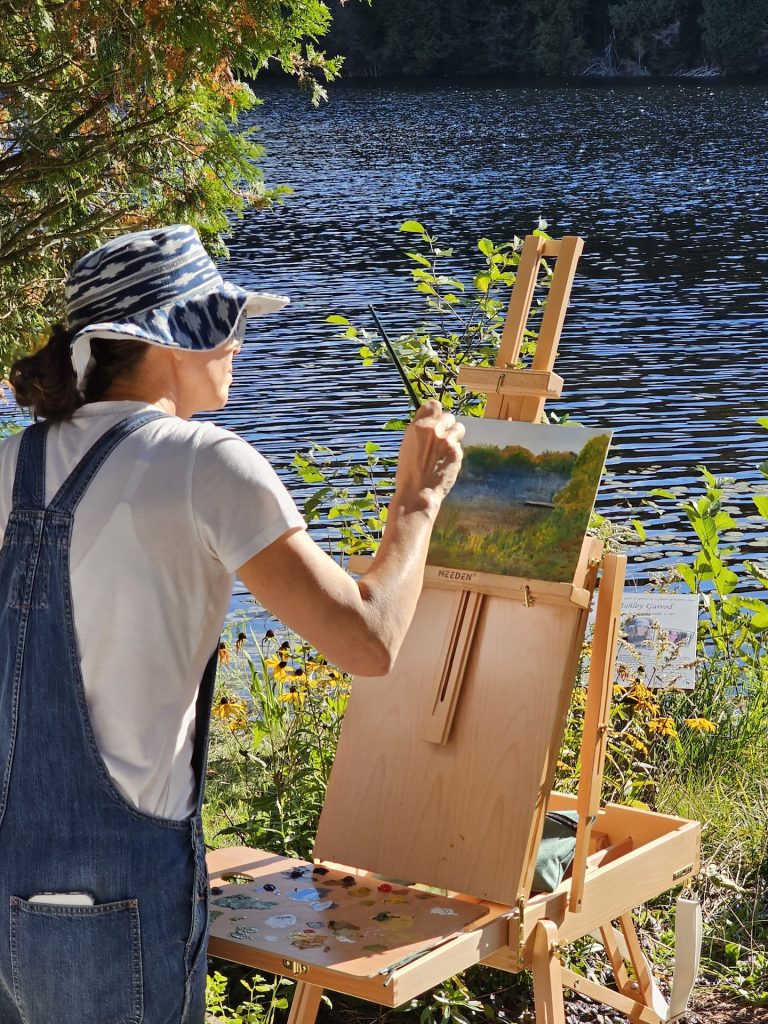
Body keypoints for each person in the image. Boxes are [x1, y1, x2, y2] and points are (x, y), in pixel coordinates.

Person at [0, 224, 464, 1024]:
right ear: (179, 334)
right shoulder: (206, 464)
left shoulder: (12, 464)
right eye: (229, 320)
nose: (241, 342)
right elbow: (369, 640)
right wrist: (416, 504)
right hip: (122, 898)